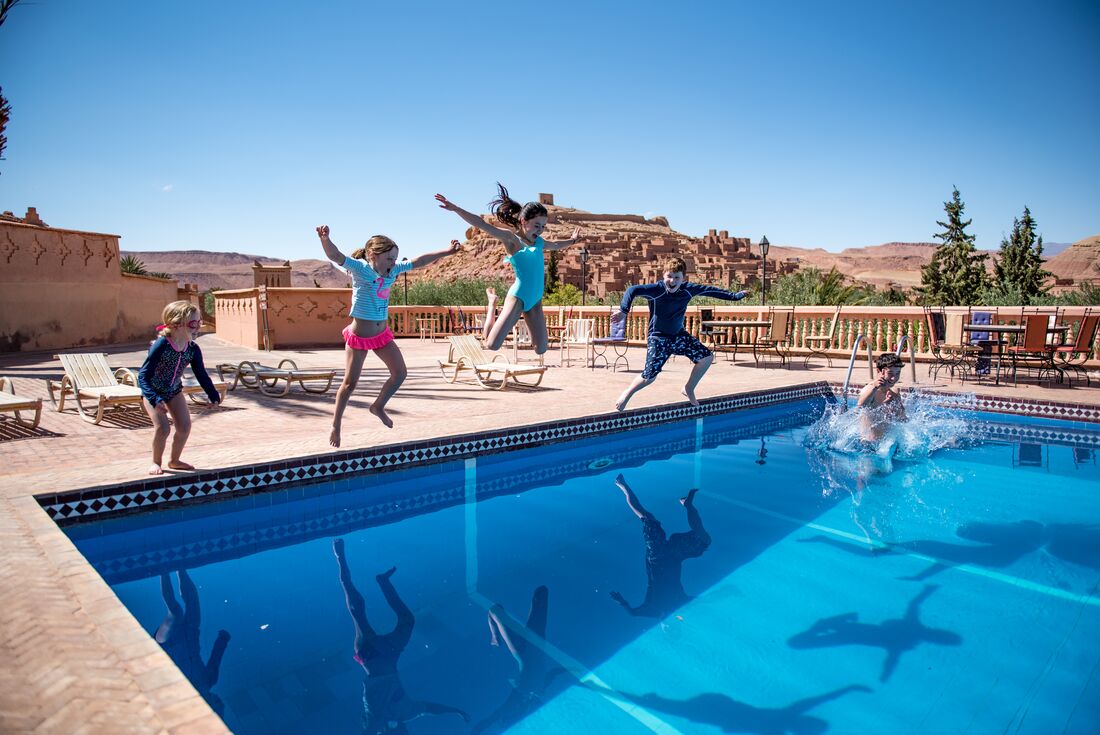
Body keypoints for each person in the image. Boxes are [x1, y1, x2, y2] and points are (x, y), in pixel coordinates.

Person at [317, 226, 460, 446]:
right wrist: (325, 239)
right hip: (360, 337)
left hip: (381, 335)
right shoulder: (361, 269)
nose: (394, 262)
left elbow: (419, 261)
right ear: (374, 255)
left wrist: (447, 251)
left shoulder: (392, 272)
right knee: (349, 385)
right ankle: (336, 425)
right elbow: (336, 256)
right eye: (389, 258)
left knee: (400, 373)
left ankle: (378, 406)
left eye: (394, 258)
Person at [331, 539, 468, 734]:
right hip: (390, 655)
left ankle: (340, 558)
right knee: (407, 620)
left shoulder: (376, 723)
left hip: (372, 658)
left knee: (356, 605)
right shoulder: (407, 712)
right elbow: (430, 709)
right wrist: (454, 711)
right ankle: (383, 581)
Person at [435, 184, 585, 355]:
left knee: (541, 349)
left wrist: (572, 240)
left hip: (535, 299)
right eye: (537, 225)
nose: (540, 230)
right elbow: (482, 224)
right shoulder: (512, 240)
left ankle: (515, 318)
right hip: (519, 297)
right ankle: (493, 304)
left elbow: (557, 244)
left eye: (543, 226)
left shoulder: (539, 242)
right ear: (523, 221)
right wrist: (455, 208)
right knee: (492, 344)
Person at [612, 258, 748, 411]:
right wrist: (624, 310)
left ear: (683, 278)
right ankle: (627, 393)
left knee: (706, 357)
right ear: (664, 275)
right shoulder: (657, 289)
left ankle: (689, 388)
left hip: (678, 336)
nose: (672, 281)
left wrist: (734, 296)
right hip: (658, 338)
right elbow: (633, 290)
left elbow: (711, 291)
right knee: (649, 376)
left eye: (677, 277)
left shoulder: (687, 289)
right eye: (669, 276)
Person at [608, 474, 711, 619]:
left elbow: (633, 613)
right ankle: (688, 505)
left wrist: (622, 602)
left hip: (657, 558)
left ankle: (624, 487)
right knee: (704, 540)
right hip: (675, 556)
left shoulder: (653, 611)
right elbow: (704, 601)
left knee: (647, 517)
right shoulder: (680, 605)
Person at [138, 300, 222, 475]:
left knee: (184, 427)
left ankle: (175, 460)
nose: (197, 326)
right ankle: (156, 462)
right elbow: (143, 376)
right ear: (177, 324)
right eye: (193, 323)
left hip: (174, 391)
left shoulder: (192, 348)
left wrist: (213, 395)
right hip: (153, 391)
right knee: (163, 428)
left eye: (199, 322)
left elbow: (201, 374)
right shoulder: (162, 345)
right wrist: (154, 398)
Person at [471, 585, 569, 735]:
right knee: (542, 591)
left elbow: (491, 719)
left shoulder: (517, 699)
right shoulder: (538, 690)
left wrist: (495, 636)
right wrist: (571, 670)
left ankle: (495, 637)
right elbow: (553, 673)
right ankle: (495, 636)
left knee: (497, 609)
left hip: (524, 649)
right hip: (536, 642)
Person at [154, 569, 231, 716]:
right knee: (193, 601)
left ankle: (162, 570)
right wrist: (223, 639)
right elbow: (216, 656)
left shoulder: (183, 694)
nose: (219, 701)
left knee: (176, 612)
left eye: (217, 704)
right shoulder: (210, 680)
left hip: (167, 645)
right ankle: (180, 568)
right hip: (190, 636)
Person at [857, 352, 907, 444]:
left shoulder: (894, 392)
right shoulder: (869, 390)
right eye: (890, 373)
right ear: (879, 371)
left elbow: (903, 420)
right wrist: (875, 387)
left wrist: (895, 405)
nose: (894, 378)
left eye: (897, 373)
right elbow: (860, 405)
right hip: (868, 444)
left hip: (887, 443)